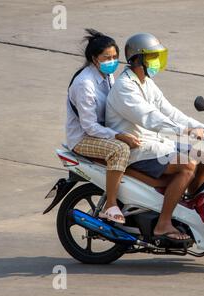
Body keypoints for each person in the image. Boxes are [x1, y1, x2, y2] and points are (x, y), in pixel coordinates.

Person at [106, 33, 204, 243]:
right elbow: (150, 118)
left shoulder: (145, 82)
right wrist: (185, 131)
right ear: (138, 60)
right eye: (152, 57)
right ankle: (163, 224)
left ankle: (190, 214)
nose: (157, 61)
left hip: (154, 143)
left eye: (158, 56)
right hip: (137, 147)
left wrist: (200, 126)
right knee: (188, 165)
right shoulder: (125, 88)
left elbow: (169, 111)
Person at [66, 29, 140, 224]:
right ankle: (111, 205)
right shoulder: (85, 84)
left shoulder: (107, 77)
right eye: (107, 57)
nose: (112, 61)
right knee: (120, 150)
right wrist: (119, 136)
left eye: (115, 57)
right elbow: (89, 126)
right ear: (94, 59)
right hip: (83, 138)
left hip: (102, 131)